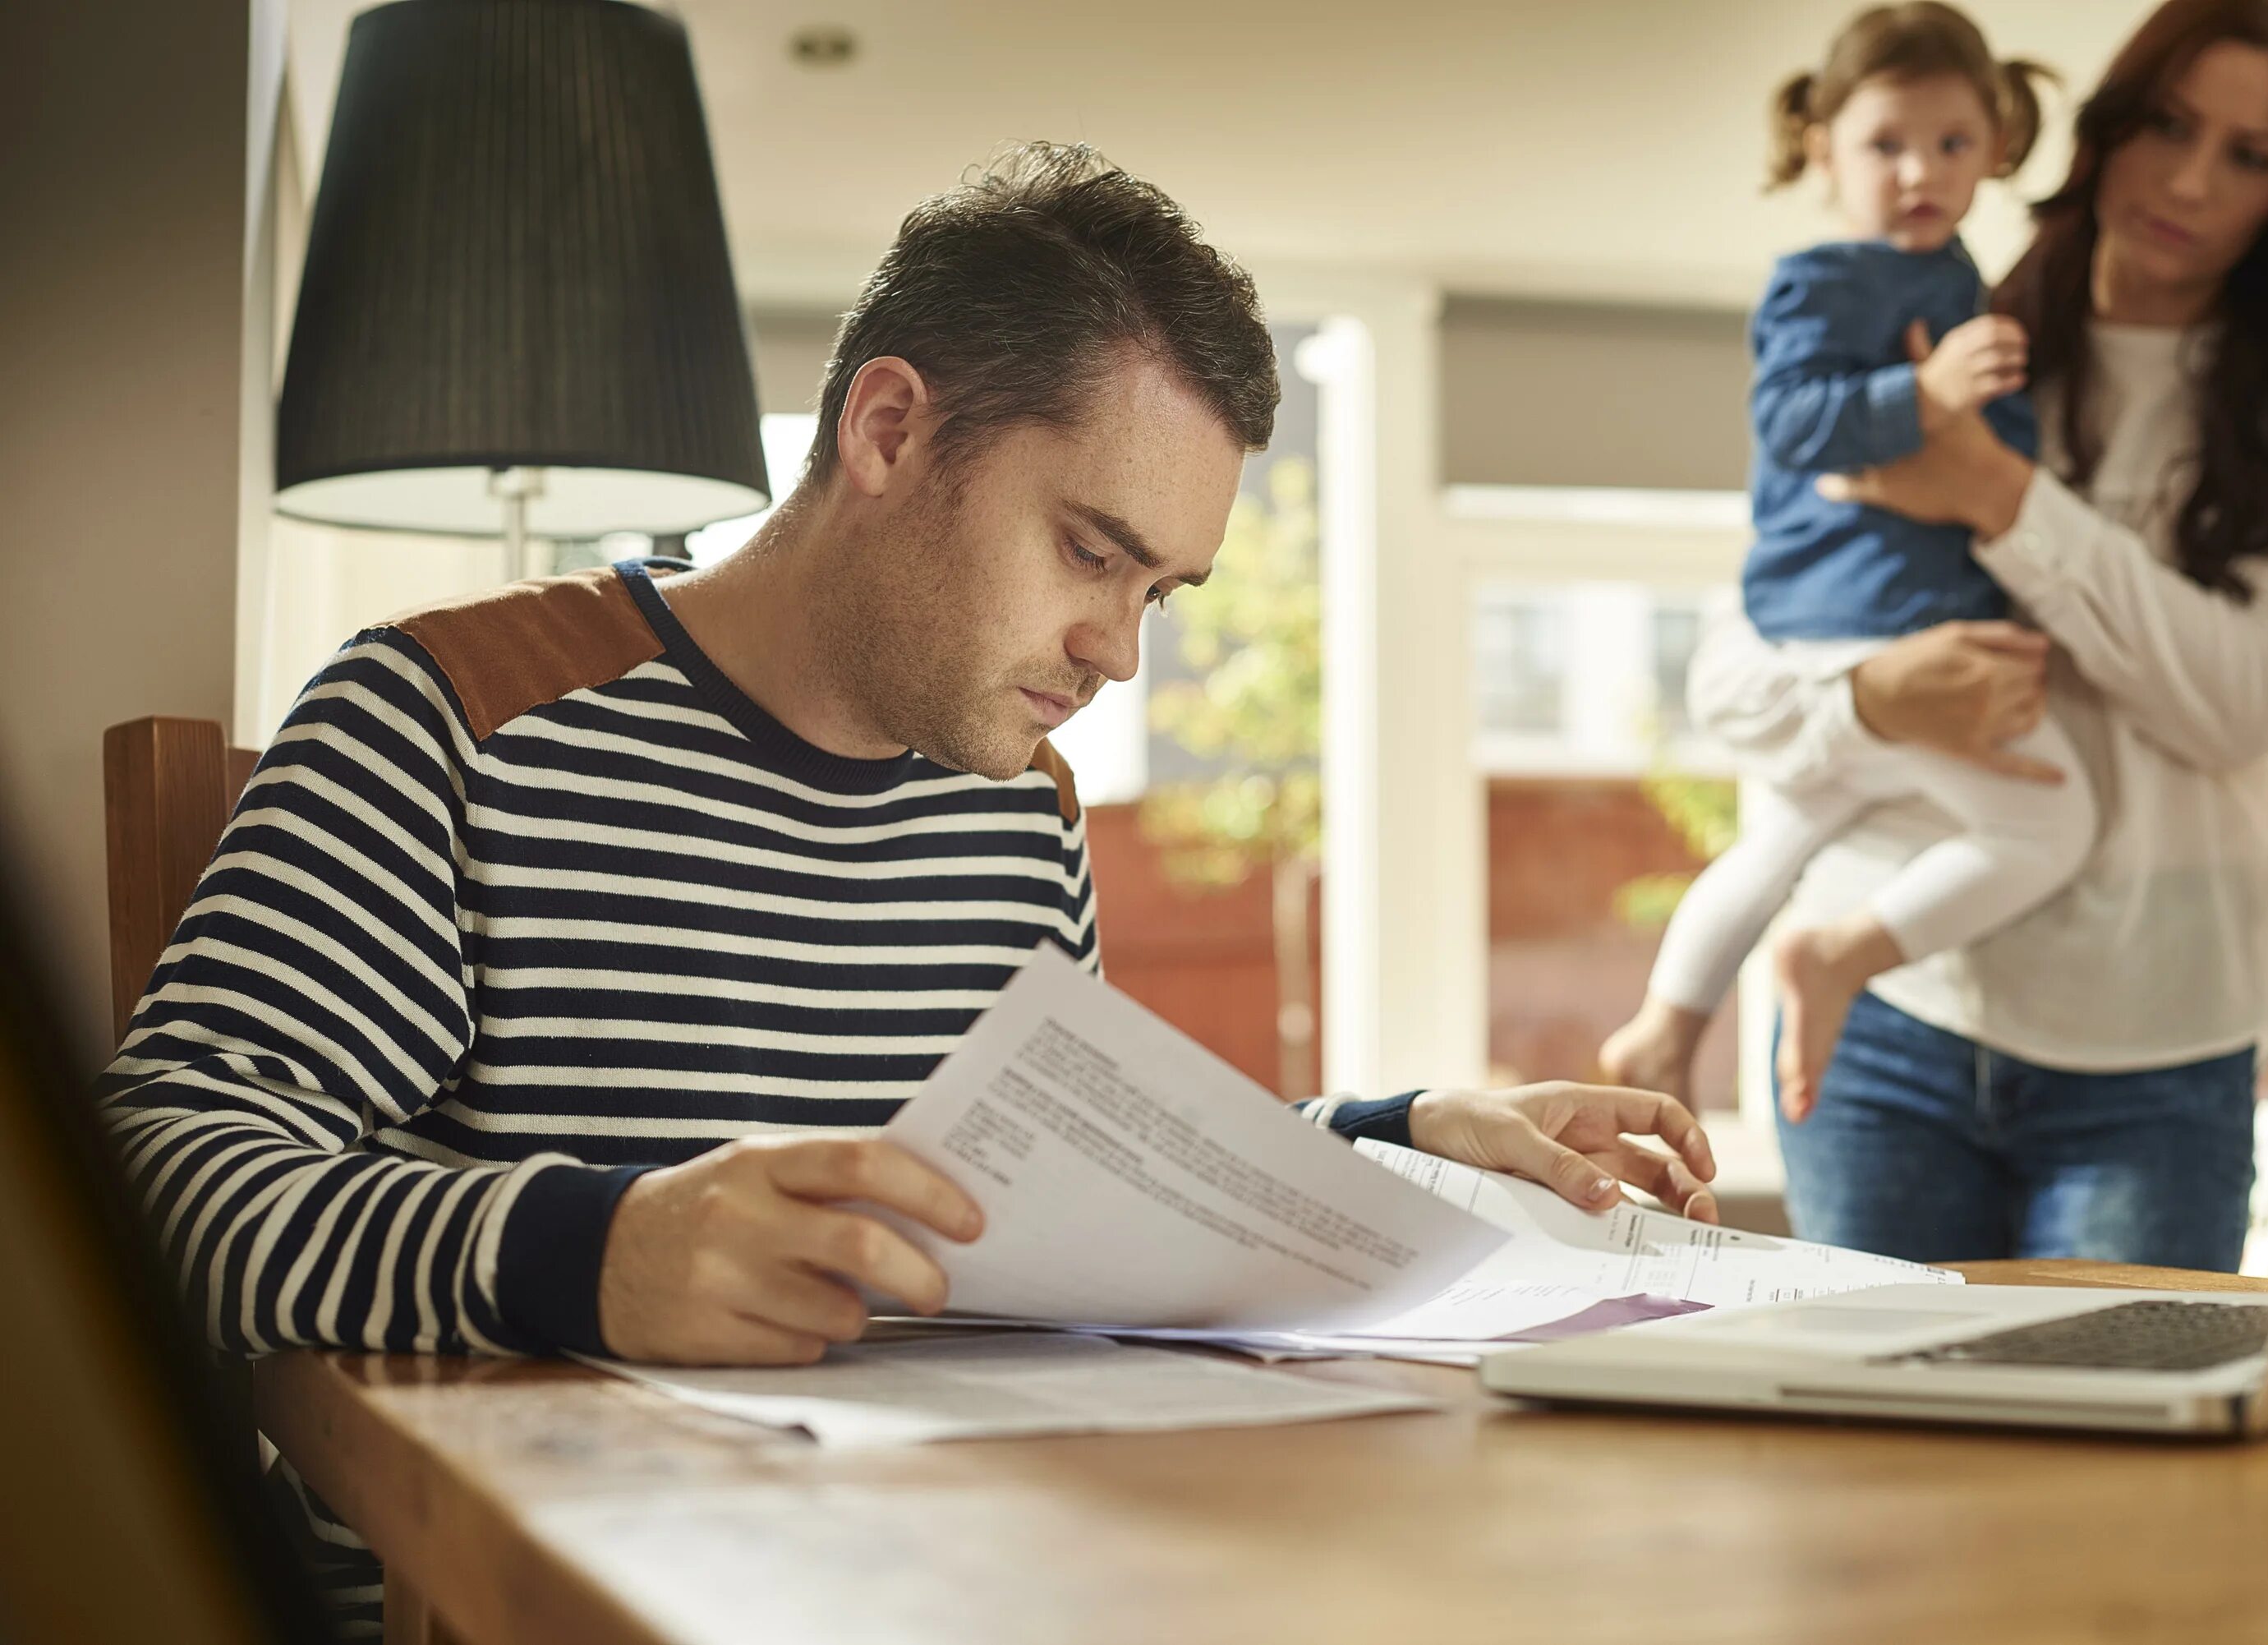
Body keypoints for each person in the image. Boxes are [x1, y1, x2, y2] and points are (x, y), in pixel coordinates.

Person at [97, 145, 1717, 1633]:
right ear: (889, 431)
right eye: (1092, 551)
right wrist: (596, 1251)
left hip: (938, 1571)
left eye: (1161, 587)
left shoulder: (1016, 813)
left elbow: (1054, 1205)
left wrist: (1397, 1136)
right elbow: (158, 1182)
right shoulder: (455, 718)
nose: (1119, 650)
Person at [1681, 0, 2268, 1269]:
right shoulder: (1934, 341)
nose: (2188, 178)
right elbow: (1732, 672)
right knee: (1877, 1453)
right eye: (2167, 125)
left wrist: (1999, 500)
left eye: (2250, 155)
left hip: (2158, 1042)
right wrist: (1874, 702)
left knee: (2123, 1454)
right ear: (2105, 132)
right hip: (1887, 1018)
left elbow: (2240, 703)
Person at [1599, 2, 2086, 1122]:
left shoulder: (1964, 282)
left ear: (1996, 147)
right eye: (1886, 145)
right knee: (2054, 821)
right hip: (1860, 612)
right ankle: (1841, 956)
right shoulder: (1823, 278)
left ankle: (1663, 1028)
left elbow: (1988, 456)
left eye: (1953, 144)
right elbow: (1794, 425)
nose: (1921, 170)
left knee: (1782, 833)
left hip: (1874, 612)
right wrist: (1926, 397)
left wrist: (1984, 434)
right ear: (1823, 150)